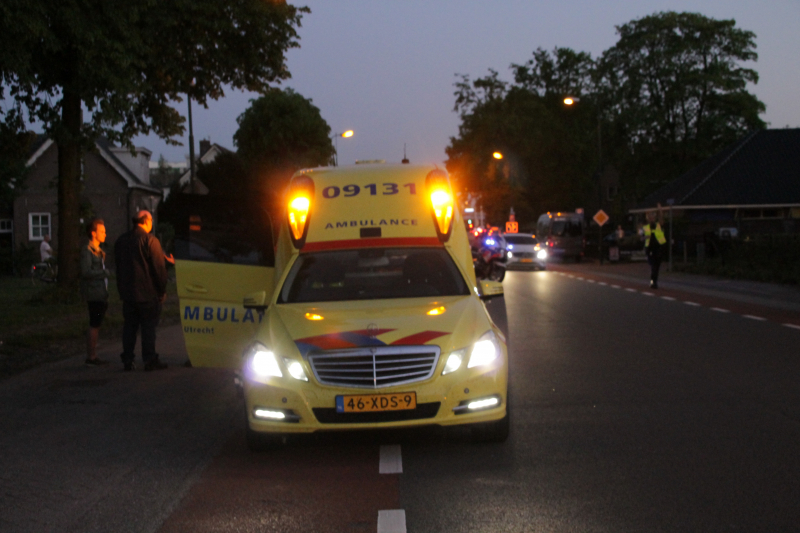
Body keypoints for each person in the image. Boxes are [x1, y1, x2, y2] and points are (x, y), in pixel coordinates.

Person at [114, 210, 175, 371]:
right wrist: (161, 290)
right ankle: (149, 359)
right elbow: (158, 269)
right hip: (147, 293)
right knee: (148, 328)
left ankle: (128, 358)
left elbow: (118, 266)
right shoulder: (150, 240)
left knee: (129, 327)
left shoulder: (121, 240)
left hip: (128, 293)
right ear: (147, 221)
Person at [80, 219, 111, 366]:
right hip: (94, 294)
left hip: (100, 293)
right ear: (93, 233)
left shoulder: (98, 251)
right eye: (102, 231)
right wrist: (103, 273)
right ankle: (91, 356)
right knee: (95, 323)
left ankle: (92, 355)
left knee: (96, 323)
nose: (105, 234)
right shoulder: (88, 251)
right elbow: (86, 272)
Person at [644, 203, 667, 289]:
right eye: (649, 216)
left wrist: (660, 210)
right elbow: (642, 236)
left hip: (658, 248)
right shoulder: (646, 227)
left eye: (652, 216)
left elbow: (661, 219)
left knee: (656, 267)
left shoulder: (658, 225)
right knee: (653, 266)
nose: (651, 218)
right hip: (650, 249)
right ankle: (653, 282)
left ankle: (653, 282)